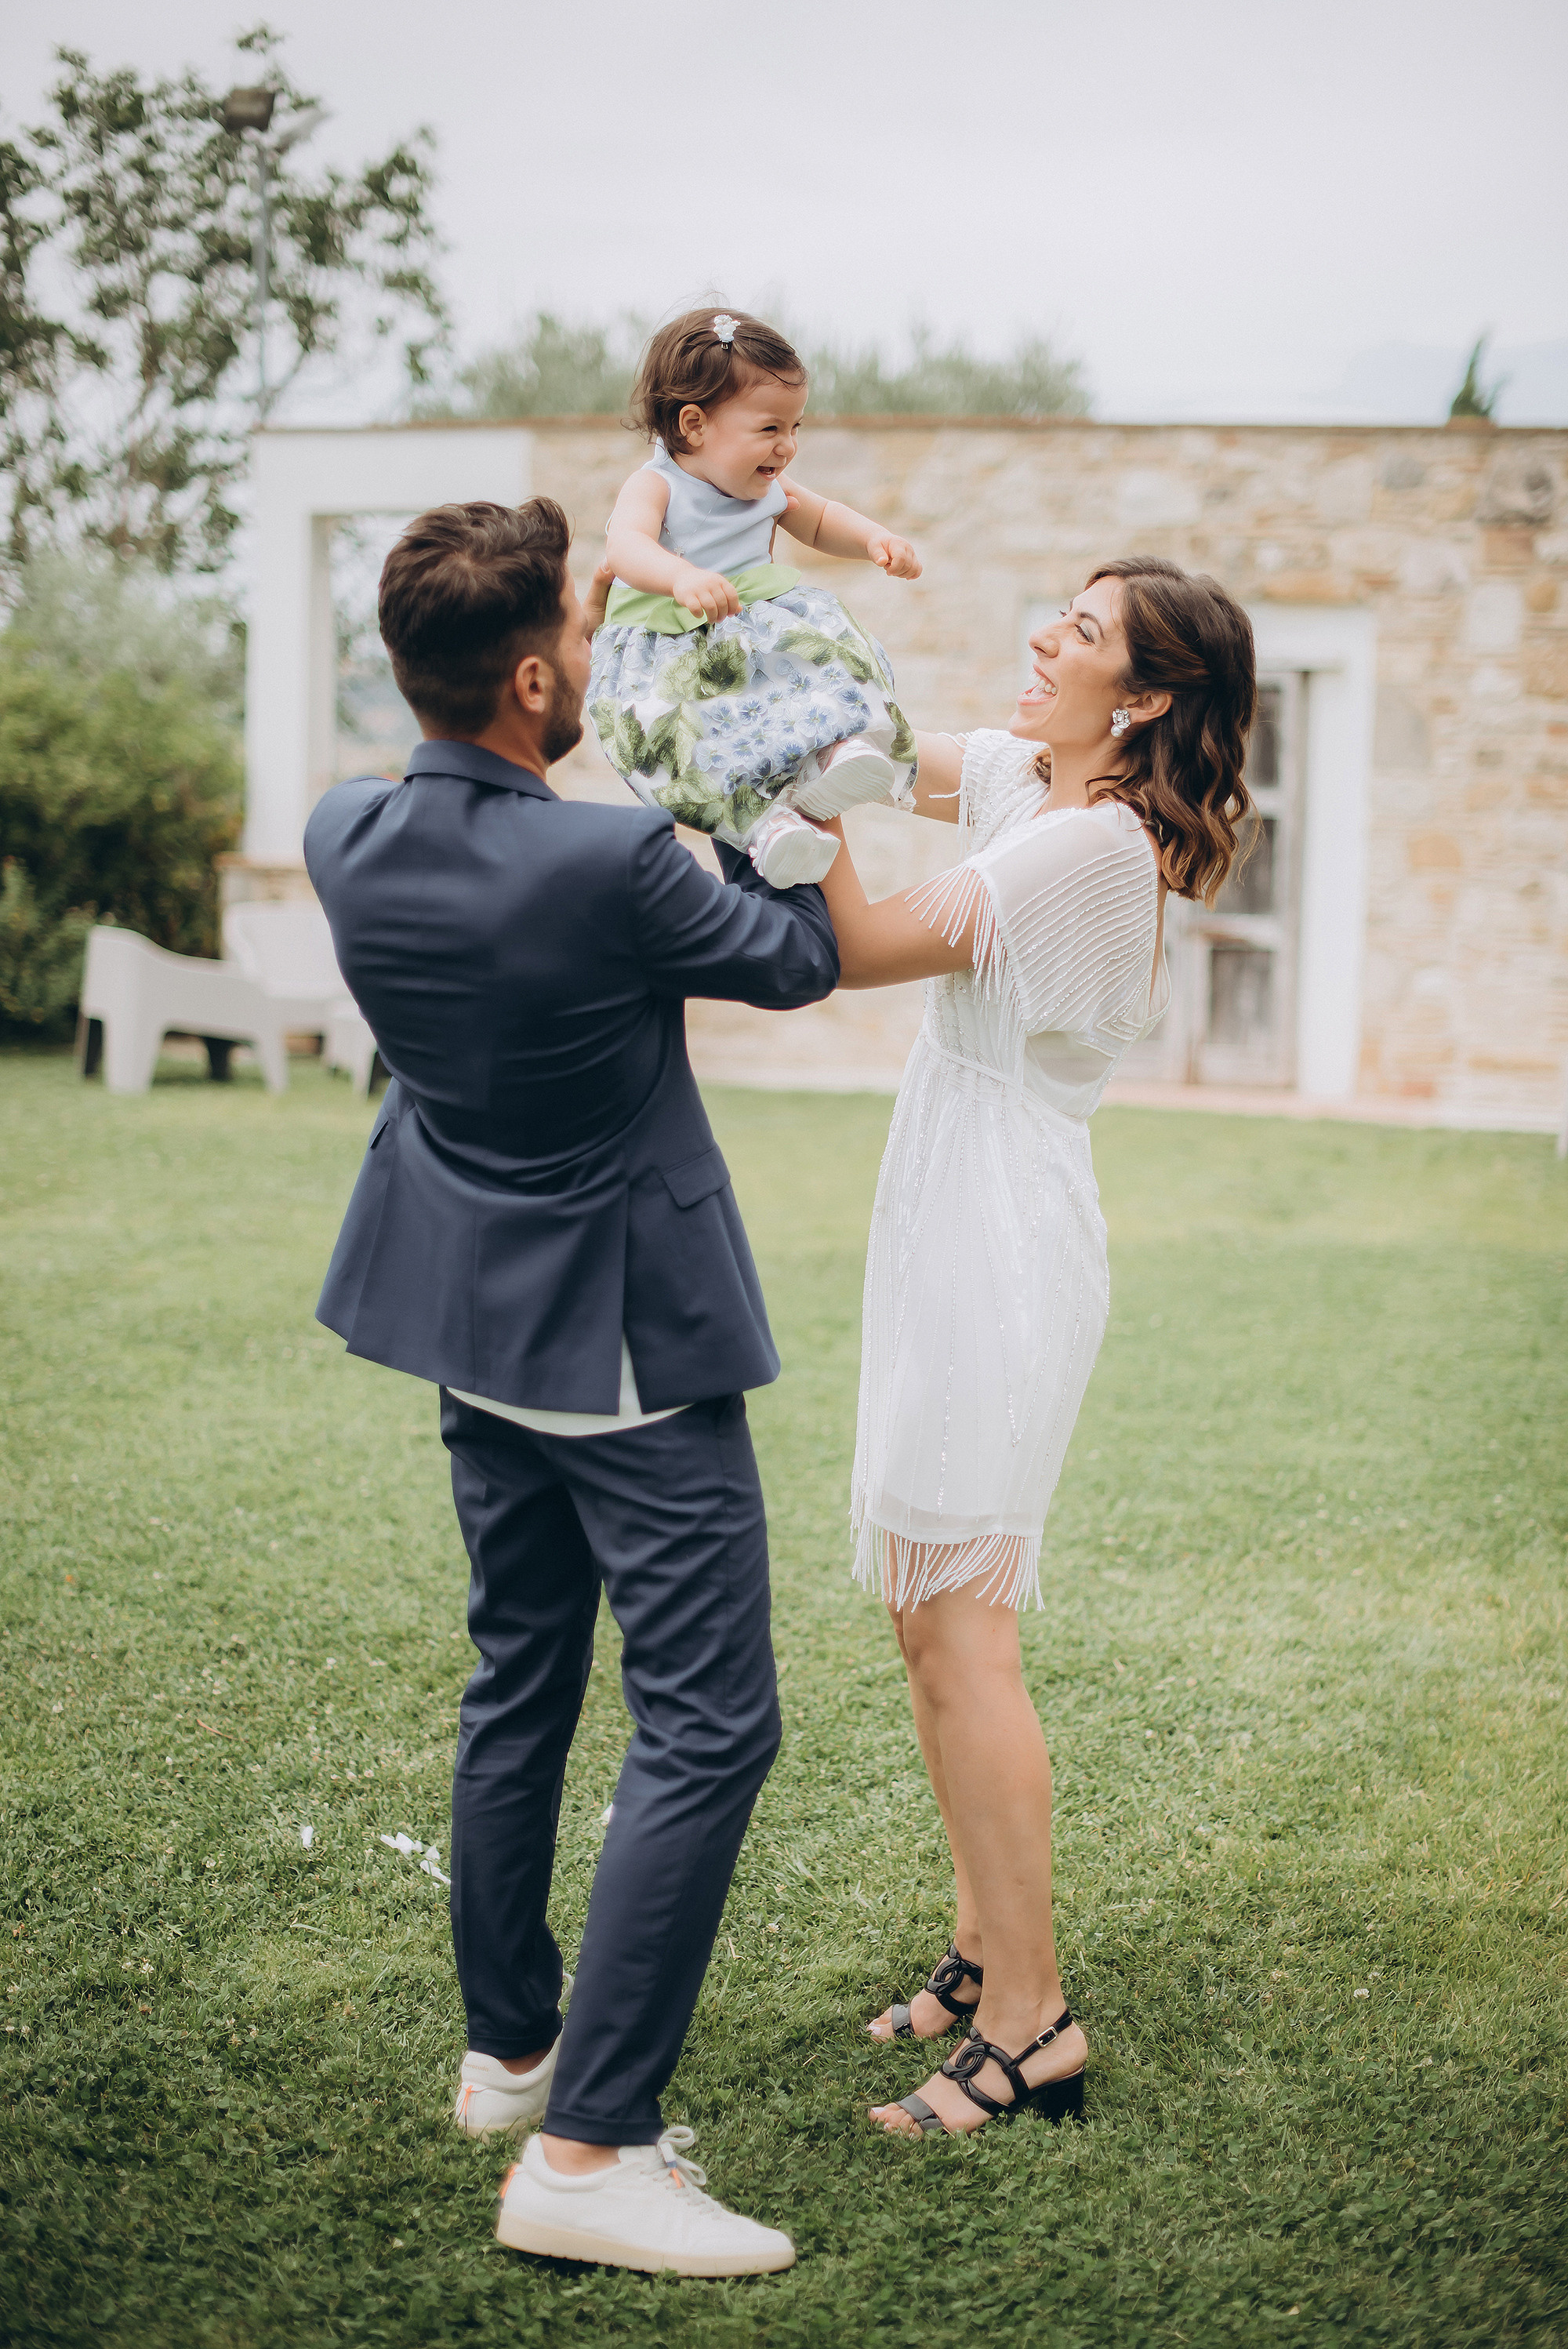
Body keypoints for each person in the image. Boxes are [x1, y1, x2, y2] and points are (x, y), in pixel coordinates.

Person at [303, 497, 838, 2275]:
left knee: (518, 1670)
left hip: (470, 1325)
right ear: (536, 673)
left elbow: (491, 753)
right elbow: (794, 958)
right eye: (583, 633)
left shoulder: (342, 834)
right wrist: (791, 792)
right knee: (707, 1720)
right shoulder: (610, 863)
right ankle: (590, 2157)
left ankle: (510, 2046)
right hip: (616, 1339)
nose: (598, 650)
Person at [813, 556, 1258, 2138]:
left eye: (1076, 635)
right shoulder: (1033, 774)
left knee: (966, 1617)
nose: (1039, 639)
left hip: (1002, 1235)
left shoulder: (1087, 844)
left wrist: (803, 820)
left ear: (1140, 697)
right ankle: (983, 1942)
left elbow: (859, 944)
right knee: (919, 1613)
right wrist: (749, 669)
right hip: (944, 1203)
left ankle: (1031, 2017)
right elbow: (873, 736)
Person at [588, 307, 922, 890]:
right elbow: (625, 547)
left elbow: (819, 521)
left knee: (831, 650)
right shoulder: (656, 483)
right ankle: (763, 827)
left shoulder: (770, 485)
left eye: (796, 428)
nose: (788, 447)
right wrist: (678, 577)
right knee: (689, 743)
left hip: (749, 622)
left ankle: (834, 751)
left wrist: (874, 539)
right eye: (771, 429)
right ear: (694, 426)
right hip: (668, 644)